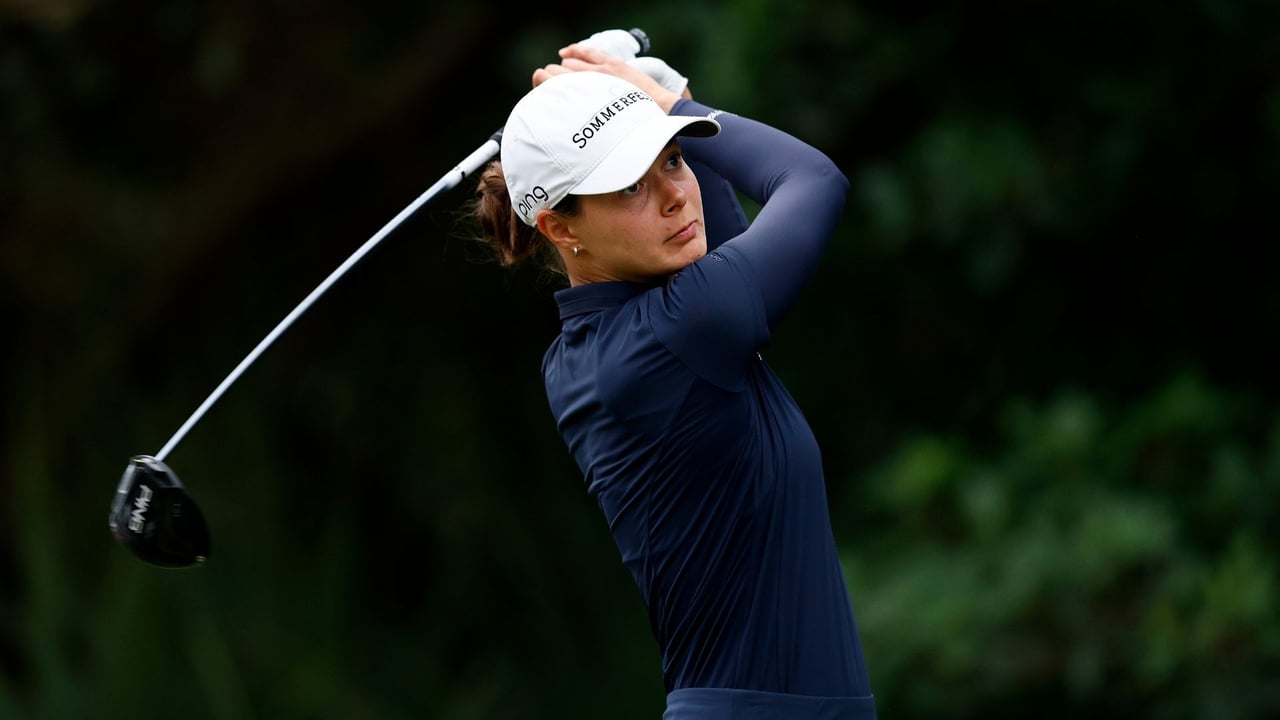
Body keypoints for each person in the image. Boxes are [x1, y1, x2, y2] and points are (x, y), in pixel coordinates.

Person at [468, 34, 876, 720]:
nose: (674, 197)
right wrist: (673, 104)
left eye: (675, 159)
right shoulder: (677, 334)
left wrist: (661, 102)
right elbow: (813, 181)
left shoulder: (595, 348)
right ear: (559, 228)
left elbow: (714, 237)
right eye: (630, 184)